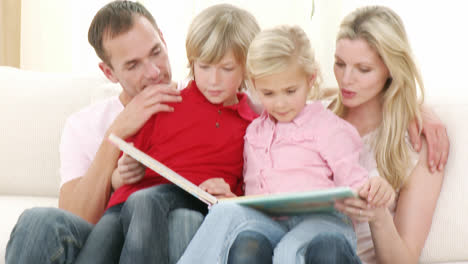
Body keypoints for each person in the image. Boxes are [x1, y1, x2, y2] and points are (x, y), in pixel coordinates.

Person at [220, 5, 446, 264]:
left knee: (328, 248)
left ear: (391, 70)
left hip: (343, 256)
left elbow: (404, 261)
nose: (346, 80)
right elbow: (265, 89)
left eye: (363, 69)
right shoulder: (305, 115)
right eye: (340, 64)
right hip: (290, 248)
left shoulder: (418, 143)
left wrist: (378, 214)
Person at [178, 24, 398, 264]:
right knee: (235, 226)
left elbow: (354, 182)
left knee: (298, 249)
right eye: (269, 94)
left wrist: (374, 190)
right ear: (254, 85)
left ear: (310, 79)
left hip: (321, 223)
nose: (280, 103)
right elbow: (255, 197)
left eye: (290, 91)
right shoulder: (255, 132)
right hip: (270, 224)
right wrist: (231, 198)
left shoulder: (328, 127)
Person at [5, 2, 202, 263]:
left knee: (179, 220)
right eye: (133, 65)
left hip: (168, 228)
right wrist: (117, 131)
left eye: (156, 52)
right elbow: (76, 216)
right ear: (108, 72)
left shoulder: (206, 99)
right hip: (102, 237)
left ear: (164, 40)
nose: (154, 72)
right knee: (36, 221)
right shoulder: (84, 124)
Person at [75, 3, 261, 264]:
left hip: (192, 199)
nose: (214, 80)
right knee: (103, 238)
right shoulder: (164, 101)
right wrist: (120, 173)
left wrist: (234, 196)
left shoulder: (253, 125)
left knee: (146, 202)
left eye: (226, 69)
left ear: (247, 67)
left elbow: (253, 186)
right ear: (192, 62)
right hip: (127, 202)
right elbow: (124, 164)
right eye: (204, 67)